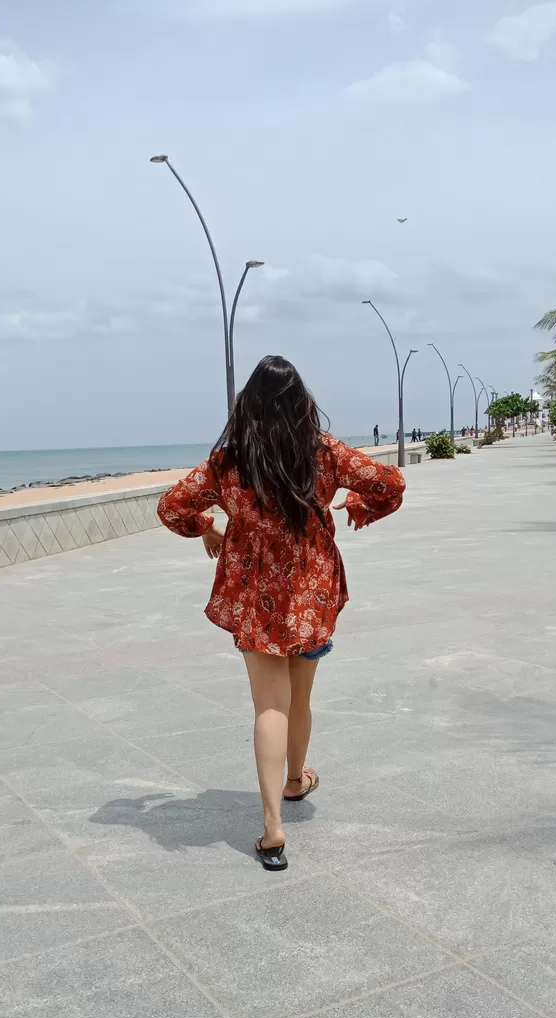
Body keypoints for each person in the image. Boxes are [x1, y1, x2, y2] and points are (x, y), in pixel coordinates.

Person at [158, 355, 406, 871]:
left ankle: (272, 827)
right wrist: (360, 508)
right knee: (300, 697)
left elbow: (171, 507)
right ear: (300, 403)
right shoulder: (324, 452)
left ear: (247, 404)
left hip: (255, 596)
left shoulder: (229, 462)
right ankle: (296, 780)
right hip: (311, 592)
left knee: (269, 706)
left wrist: (208, 527)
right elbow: (389, 484)